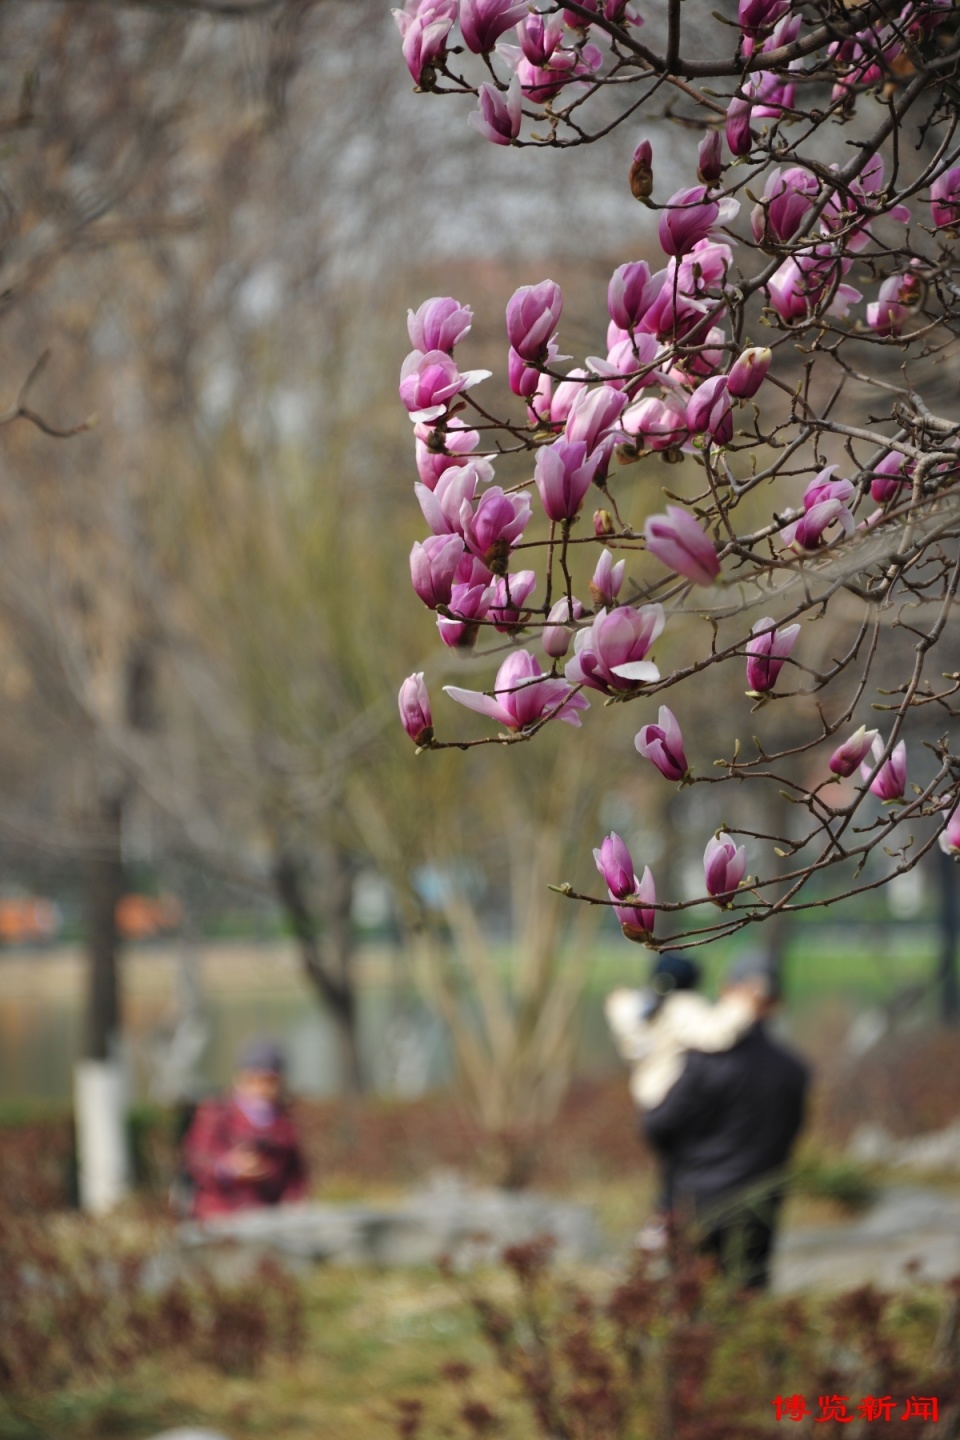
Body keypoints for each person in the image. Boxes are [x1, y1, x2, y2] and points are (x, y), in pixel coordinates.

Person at [643, 952, 809, 1290]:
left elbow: (658, 1126)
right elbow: (790, 1136)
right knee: (747, 1295)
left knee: (689, 1298)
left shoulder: (702, 1063)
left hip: (693, 1202)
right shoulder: (793, 1071)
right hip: (760, 1203)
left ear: (724, 991)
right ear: (776, 1003)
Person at [605, 951, 763, 1251]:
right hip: (675, 1108)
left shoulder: (643, 1007)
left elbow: (622, 1010)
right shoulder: (681, 1008)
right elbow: (717, 1034)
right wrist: (743, 1003)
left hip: (651, 1108)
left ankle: (661, 1230)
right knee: (682, 1173)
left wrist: (620, 999)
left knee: (671, 1170)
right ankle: (666, 1233)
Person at [180, 1039, 308, 1219]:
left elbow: (295, 1175)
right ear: (240, 1079)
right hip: (220, 1213)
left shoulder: (284, 1123)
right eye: (253, 1080)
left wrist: (293, 1202)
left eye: (269, 1081)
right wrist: (227, 1168)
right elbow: (196, 1160)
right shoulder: (217, 1114)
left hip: (268, 1216)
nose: (261, 1089)